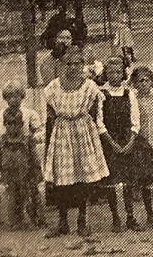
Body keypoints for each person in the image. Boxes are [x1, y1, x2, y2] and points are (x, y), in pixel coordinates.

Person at [40, 45, 111, 237]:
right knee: (62, 178)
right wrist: (54, 127)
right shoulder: (54, 86)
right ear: (63, 64)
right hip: (62, 131)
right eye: (69, 63)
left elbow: (98, 110)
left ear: (82, 64)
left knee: (81, 177)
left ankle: (82, 219)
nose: (73, 67)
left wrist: (92, 129)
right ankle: (63, 221)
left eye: (77, 63)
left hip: (83, 131)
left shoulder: (89, 86)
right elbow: (49, 112)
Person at [99, 57, 153, 231]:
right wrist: (111, 143)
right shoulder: (101, 93)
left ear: (123, 73)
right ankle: (115, 218)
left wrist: (131, 140)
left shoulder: (129, 94)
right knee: (112, 181)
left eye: (118, 72)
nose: (115, 75)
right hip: (109, 141)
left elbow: (135, 121)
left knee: (129, 180)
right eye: (111, 71)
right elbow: (99, 122)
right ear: (106, 73)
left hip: (128, 140)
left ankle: (130, 217)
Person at [0, 81, 44, 229]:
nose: (13, 100)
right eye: (9, 97)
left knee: (30, 188)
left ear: (22, 96)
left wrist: (34, 138)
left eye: (16, 96)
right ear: (5, 98)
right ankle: (17, 220)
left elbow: (40, 131)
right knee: (13, 189)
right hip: (9, 156)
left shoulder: (29, 113)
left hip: (26, 154)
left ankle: (37, 218)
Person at [128, 65, 153, 226]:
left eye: (147, 80)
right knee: (146, 178)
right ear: (135, 83)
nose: (144, 83)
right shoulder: (133, 98)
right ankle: (149, 214)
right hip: (143, 142)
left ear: (151, 81)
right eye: (140, 81)